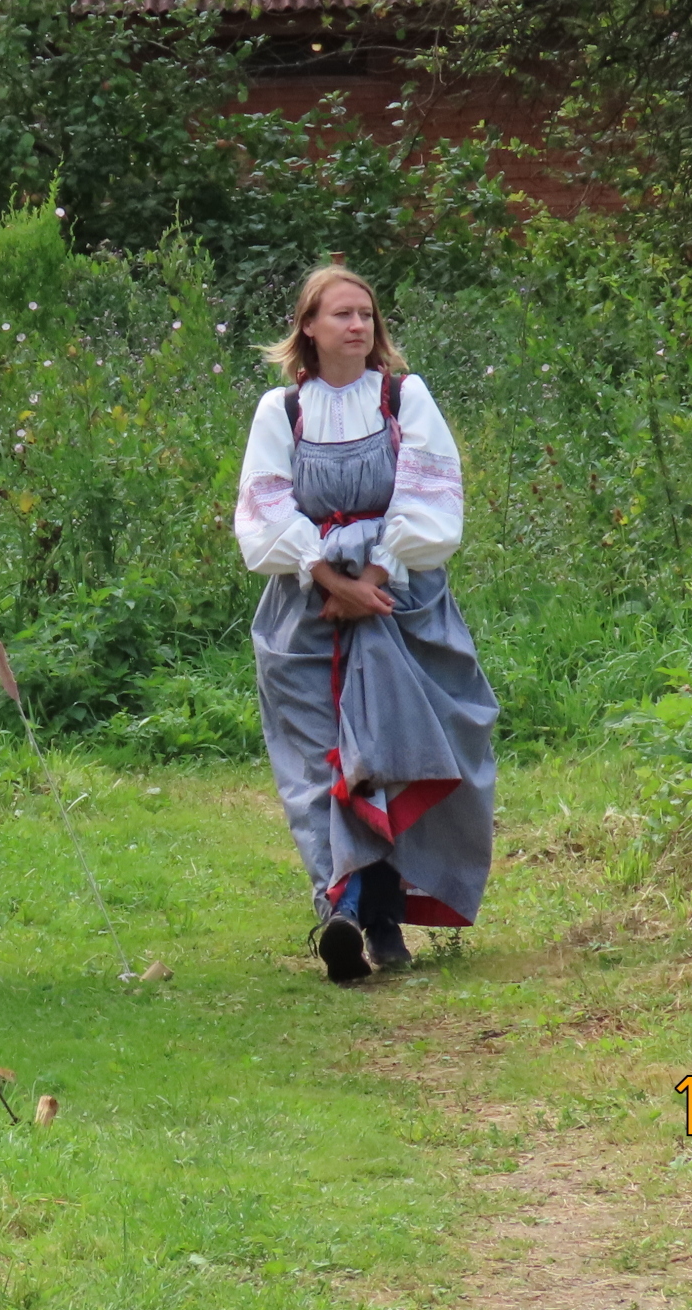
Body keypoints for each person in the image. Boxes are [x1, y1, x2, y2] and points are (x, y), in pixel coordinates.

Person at [233, 264, 498, 984]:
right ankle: (342, 913)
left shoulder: (402, 398)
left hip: (399, 604)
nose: (359, 326)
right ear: (308, 328)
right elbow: (264, 509)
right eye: (342, 314)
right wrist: (326, 577)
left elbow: (429, 492)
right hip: (306, 612)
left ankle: (383, 916)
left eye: (367, 315)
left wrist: (371, 579)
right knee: (321, 763)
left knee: (394, 751)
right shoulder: (280, 411)